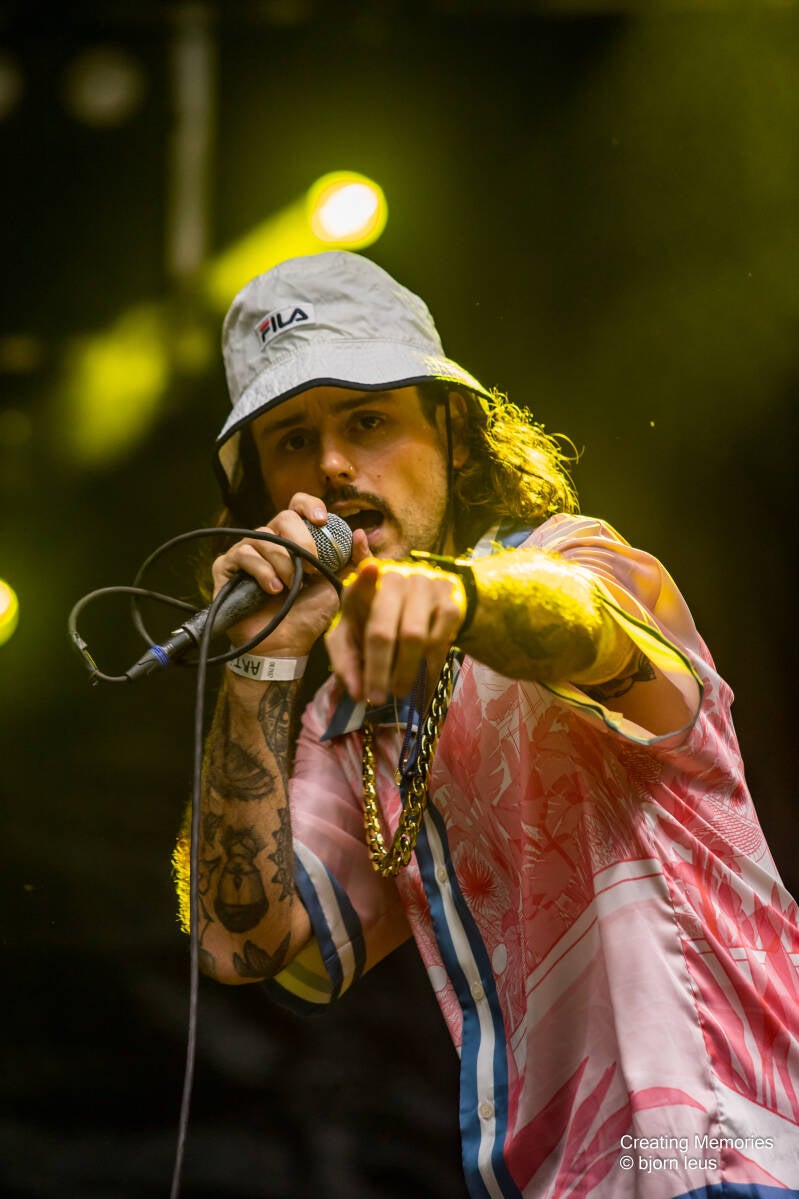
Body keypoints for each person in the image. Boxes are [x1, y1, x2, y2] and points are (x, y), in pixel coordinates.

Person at [173, 250, 799, 1198]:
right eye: (292, 440)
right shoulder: (348, 722)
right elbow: (237, 943)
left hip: (735, 1150)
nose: (332, 464)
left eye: (367, 420)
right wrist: (259, 663)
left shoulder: (571, 560)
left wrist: (457, 598)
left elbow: (583, 623)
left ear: (455, 435)